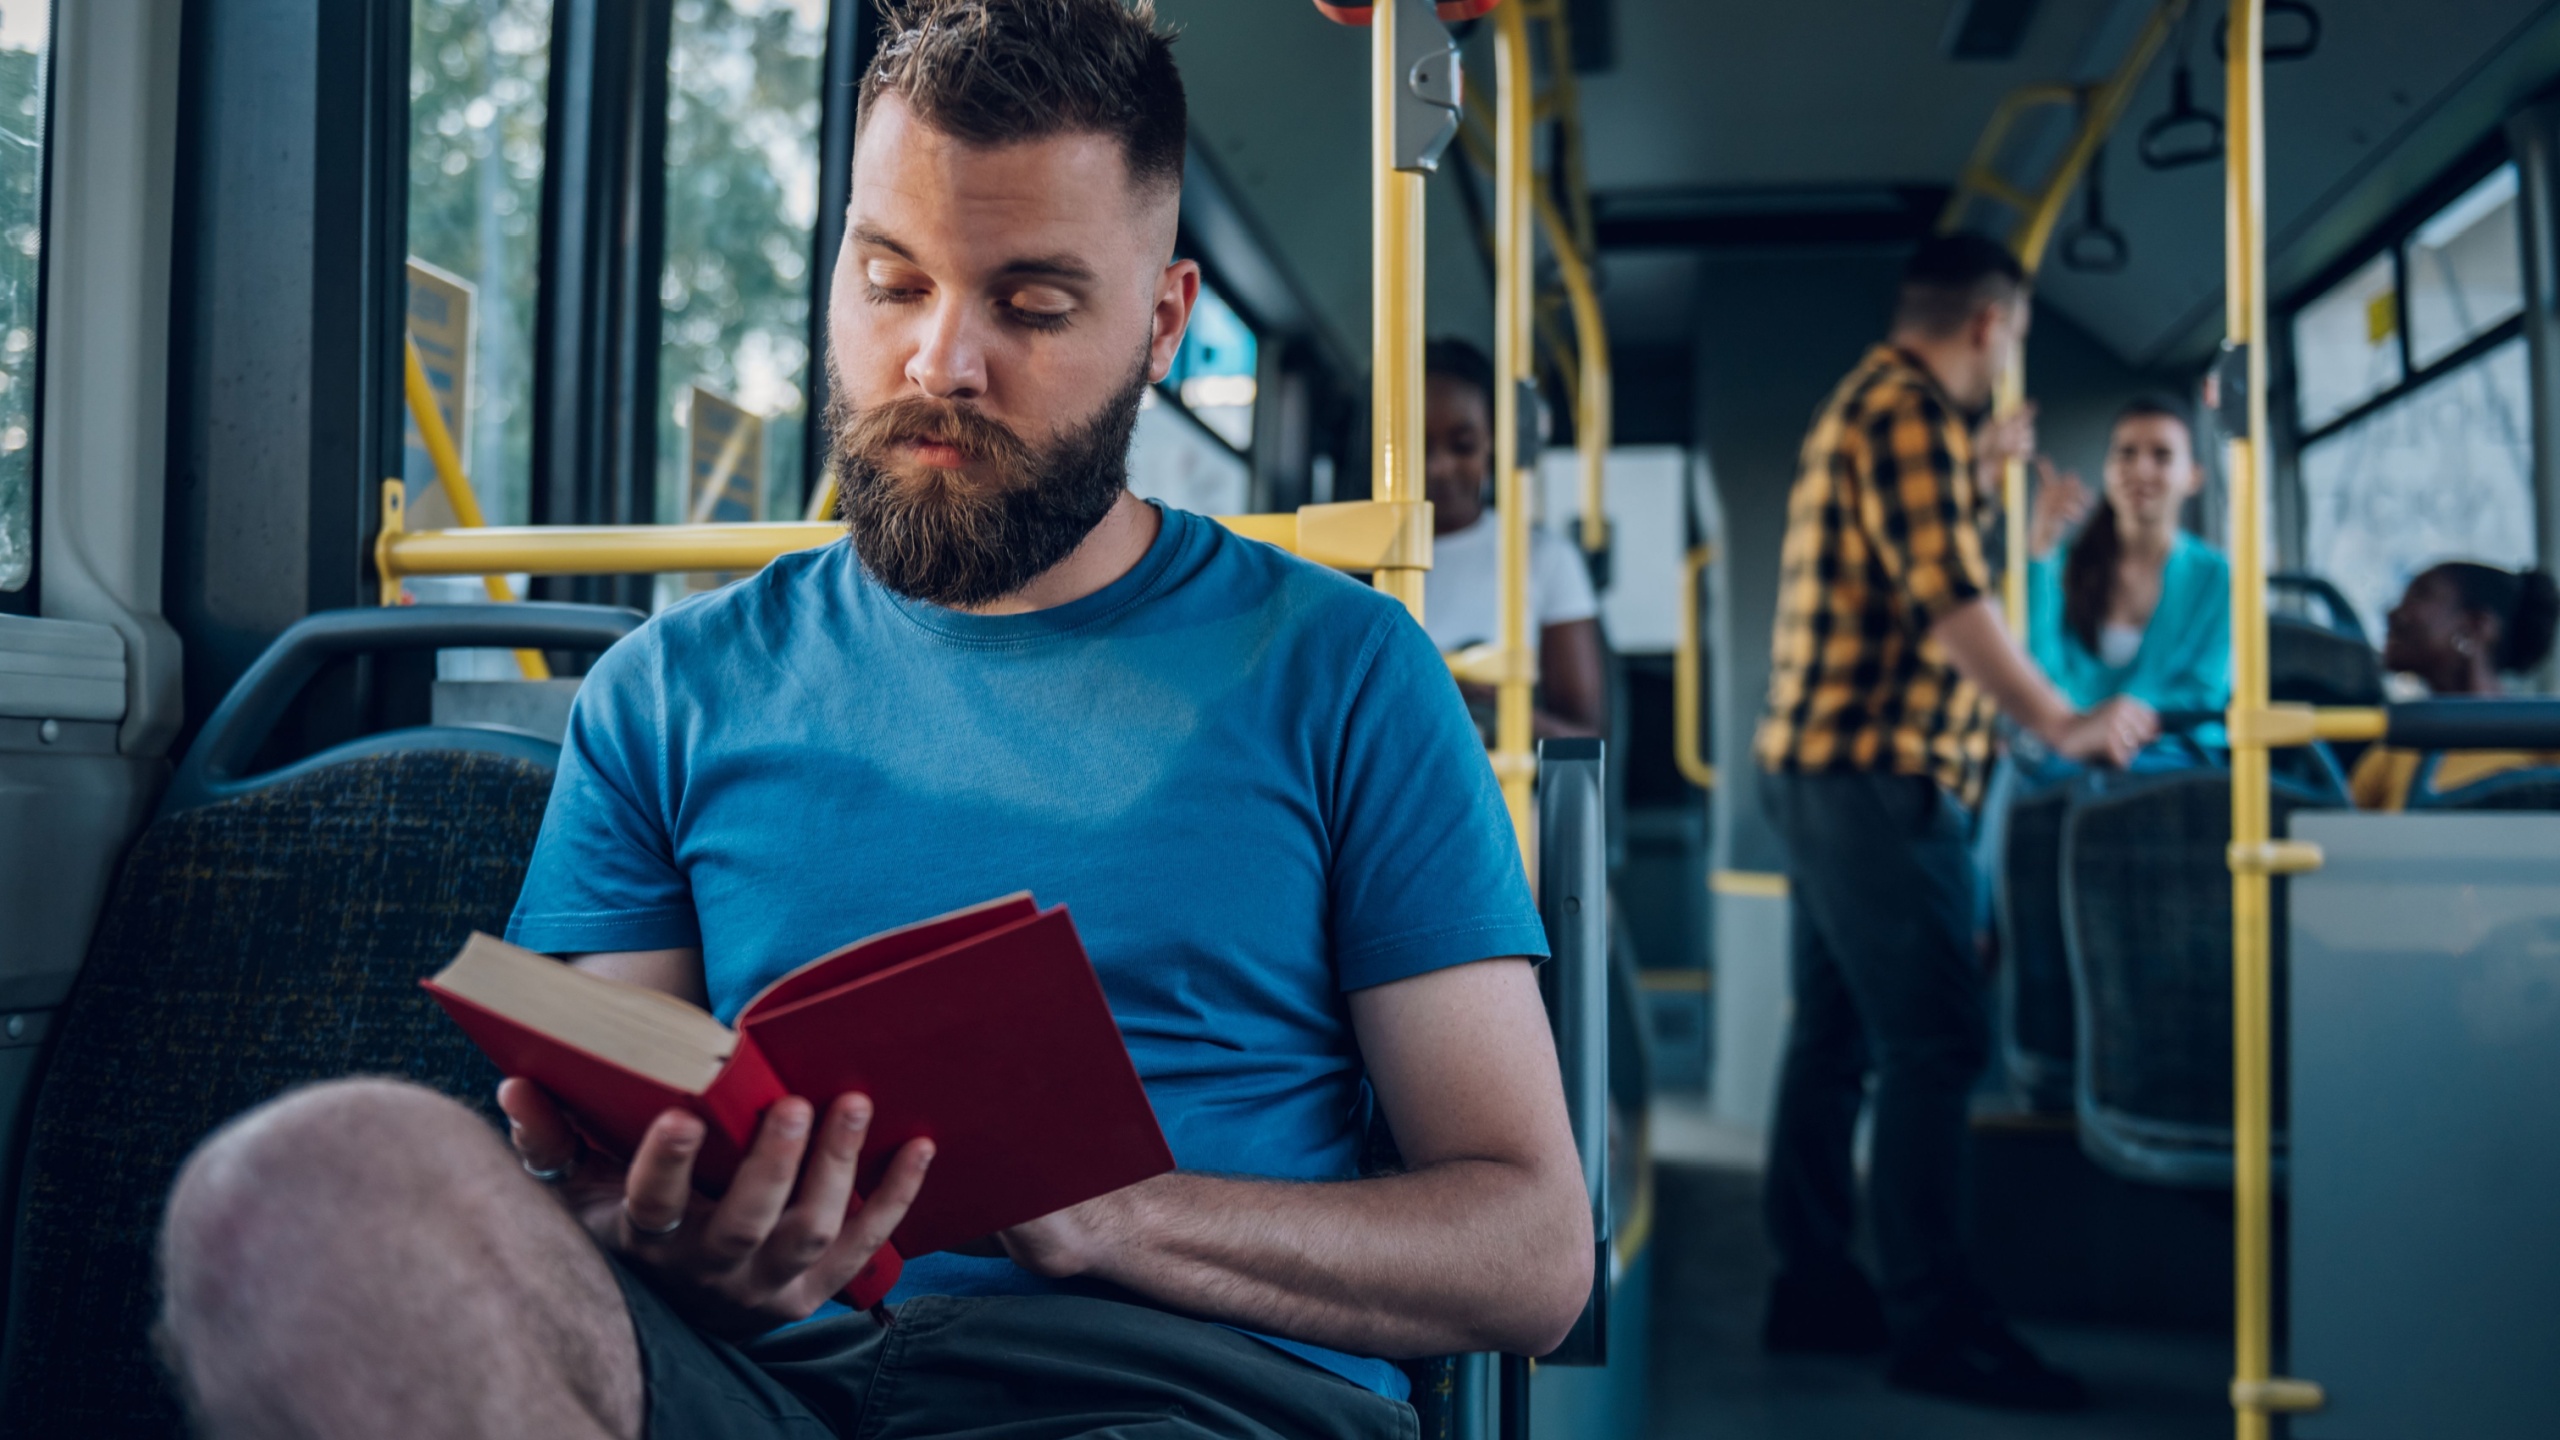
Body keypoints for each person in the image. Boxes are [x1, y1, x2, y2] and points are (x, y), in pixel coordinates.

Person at [152, 5, 1594, 1438]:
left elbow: (1530, 1255)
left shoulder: (1343, 673)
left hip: (1172, 1395)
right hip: (764, 1388)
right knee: (298, 1194)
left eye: (1031, 306)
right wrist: (664, 1235)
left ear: (1161, 322)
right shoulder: (672, 691)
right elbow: (629, 1125)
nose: (939, 365)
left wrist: (1130, 1220)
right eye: (892, 281)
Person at [1754, 231, 2157, 1411]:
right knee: (1933, 1046)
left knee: (1831, 1042)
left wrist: (1986, 490)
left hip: (1826, 773)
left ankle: (1815, 1284)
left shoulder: (1878, 413)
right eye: (2017, 335)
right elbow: (1950, 605)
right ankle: (1937, 1322)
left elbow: (1913, 571)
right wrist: (2062, 721)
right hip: (1879, 779)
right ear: (1989, 323)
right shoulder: (1907, 414)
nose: (2011, 358)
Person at [1419, 337, 1606, 739]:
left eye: (1462, 446)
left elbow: (1584, 740)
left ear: (1493, 444)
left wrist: (1492, 714)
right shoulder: (1347, 561)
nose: (1439, 467)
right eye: (1418, 447)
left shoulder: (1544, 559)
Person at [2025, 396, 2231, 716]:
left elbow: (2208, 690)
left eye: (2162, 455)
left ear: (2193, 476)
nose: (2140, 469)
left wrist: (2123, 720)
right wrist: (2040, 550)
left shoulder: (2217, 576)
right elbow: (2035, 670)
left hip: (2180, 756)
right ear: (2107, 469)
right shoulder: (2062, 564)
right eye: (2126, 454)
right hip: (2073, 752)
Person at [2351, 561, 2560, 810]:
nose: (2393, 613)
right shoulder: (2394, 747)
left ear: (2475, 627)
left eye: (2420, 595)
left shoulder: (2546, 737)